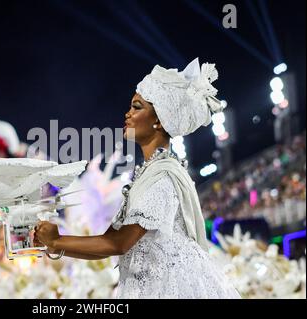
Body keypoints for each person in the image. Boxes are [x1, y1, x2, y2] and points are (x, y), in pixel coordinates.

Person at [35, 58, 241, 298]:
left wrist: (57, 241)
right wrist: (55, 243)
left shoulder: (163, 177)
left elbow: (119, 244)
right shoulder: (150, 173)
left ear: (158, 120)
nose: (127, 113)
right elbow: (108, 242)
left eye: (137, 106)